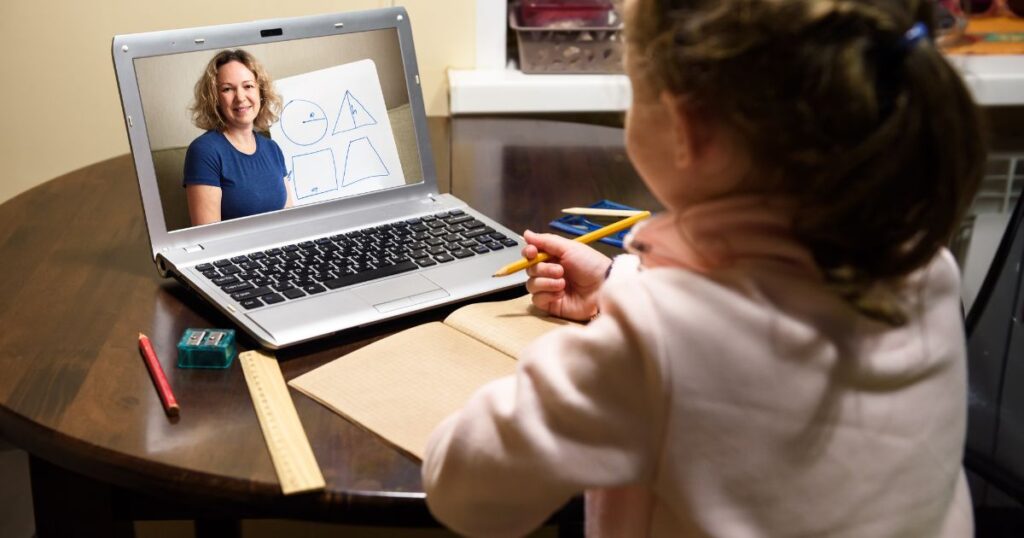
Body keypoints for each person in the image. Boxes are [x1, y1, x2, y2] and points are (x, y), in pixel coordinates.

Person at [422, 0, 986, 536]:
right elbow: (749, 300)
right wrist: (616, 286)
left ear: (685, 127)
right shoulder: (925, 267)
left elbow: (465, 494)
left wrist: (581, 356)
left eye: (634, 93)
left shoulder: (655, 345)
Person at [183, 49, 295, 226]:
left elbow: (291, 220)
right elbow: (209, 238)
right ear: (215, 98)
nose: (240, 97)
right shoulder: (204, 151)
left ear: (261, 92)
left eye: (248, 86)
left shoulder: (272, 148)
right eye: (227, 89)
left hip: (281, 250)